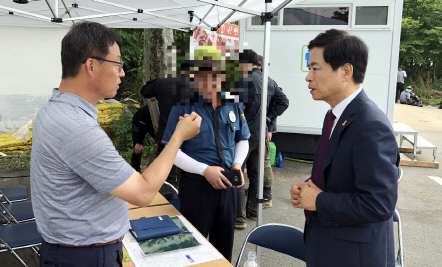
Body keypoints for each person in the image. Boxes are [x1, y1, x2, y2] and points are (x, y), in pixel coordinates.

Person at [30, 21, 201, 267]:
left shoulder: (56, 110)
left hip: (75, 248)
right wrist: (178, 137)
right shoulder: (75, 126)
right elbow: (143, 193)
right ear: (91, 65)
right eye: (117, 64)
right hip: (84, 256)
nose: (122, 72)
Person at [290, 29, 400, 267]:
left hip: (353, 256)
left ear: (346, 72)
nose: (308, 77)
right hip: (328, 245)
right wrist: (309, 186)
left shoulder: (370, 125)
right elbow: (339, 171)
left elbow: (379, 204)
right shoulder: (336, 116)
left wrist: (319, 201)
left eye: (315, 68)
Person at [161, 46, 250, 261]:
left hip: (229, 185)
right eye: (202, 77)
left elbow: (243, 139)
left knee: (223, 247)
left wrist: (237, 164)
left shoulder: (234, 103)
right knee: (193, 247)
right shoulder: (183, 107)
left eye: (215, 76)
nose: (209, 83)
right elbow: (171, 151)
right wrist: (204, 170)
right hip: (197, 186)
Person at [235, 51, 288, 229]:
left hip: (243, 134)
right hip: (261, 134)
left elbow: (235, 108)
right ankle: (253, 210)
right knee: (256, 173)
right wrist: (268, 119)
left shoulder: (241, 81)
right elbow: (284, 102)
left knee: (238, 171)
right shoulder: (269, 80)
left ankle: (238, 217)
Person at [131, 105, 155, 172]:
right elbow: (139, 129)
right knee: (138, 149)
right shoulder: (146, 111)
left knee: (162, 145)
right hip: (139, 123)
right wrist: (138, 142)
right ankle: (135, 171)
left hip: (153, 124)